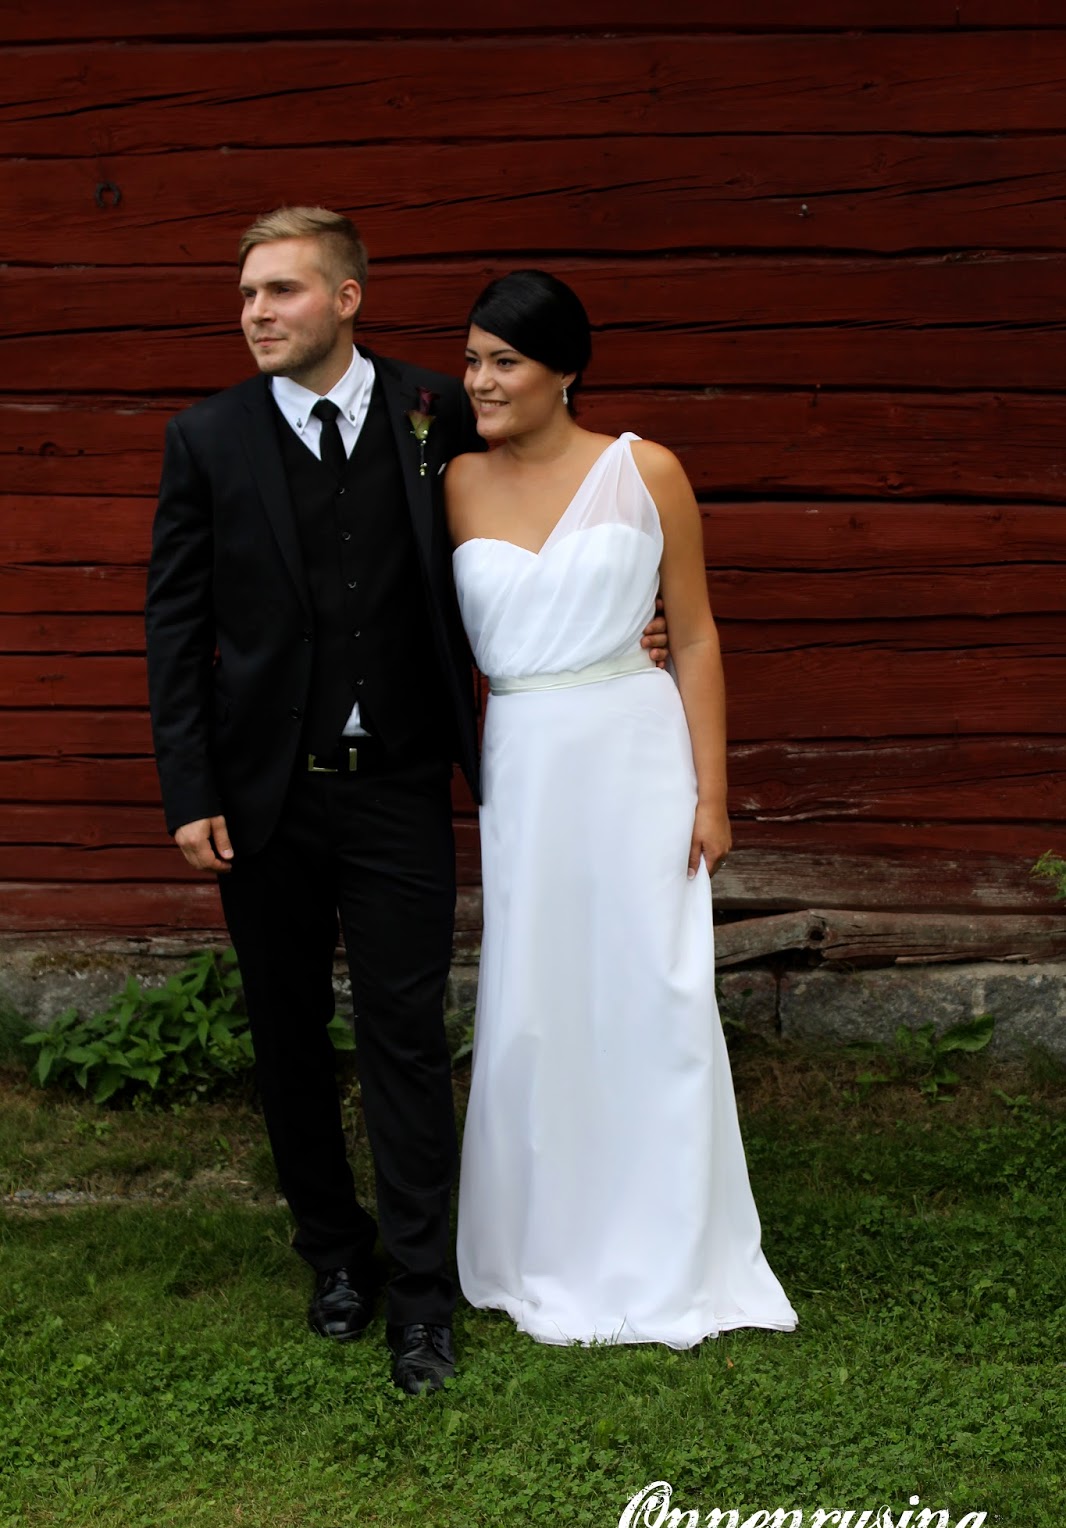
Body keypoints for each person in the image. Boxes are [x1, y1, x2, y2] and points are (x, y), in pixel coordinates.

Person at [145, 210, 665, 1393]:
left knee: (406, 1037)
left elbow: (545, 496)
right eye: (246, 294)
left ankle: (423, 1293)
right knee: (286, 1034)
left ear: (346, 298)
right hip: (263, 799)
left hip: (399, 790)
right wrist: (189, 788)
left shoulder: (439, 409)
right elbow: (175, 623)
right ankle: (335, 1254)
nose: (256, 313)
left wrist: (619, 620)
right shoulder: (207, 439)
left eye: (280, 290)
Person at [446, 270, 797, 1347]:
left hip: (636, 754)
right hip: (525, 762)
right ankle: (542, 1240)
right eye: (471, 361)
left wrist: (712, 795)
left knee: (653, 990)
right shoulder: (452, 481)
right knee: (537, 998)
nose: (480, 381)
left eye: (504, 361)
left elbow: (692, 634)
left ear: (565, 370)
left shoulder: (646, 471)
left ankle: (666, 1243)